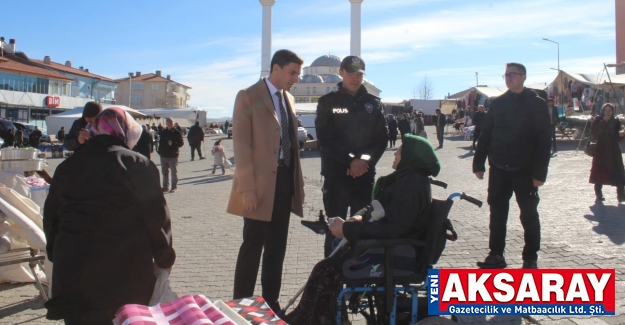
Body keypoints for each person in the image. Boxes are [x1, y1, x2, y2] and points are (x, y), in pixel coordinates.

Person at [283, 134, 439, 325]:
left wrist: (348, 230)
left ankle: (315, 318)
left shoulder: (412, 185)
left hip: (396, 255)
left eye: (400, 150)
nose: (395, 153)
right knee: (325, 267)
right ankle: (308, 317)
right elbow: (380, 210)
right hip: (390, 249)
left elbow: (390, 230)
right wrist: (357, 218)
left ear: (412, 156)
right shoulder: (406, 180)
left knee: (326, 270)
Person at [43, 107, 175, 324]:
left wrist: (55, 255)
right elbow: (156, 218)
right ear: (126, 131)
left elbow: (51, 218)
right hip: (123, 274)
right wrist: (164, 258)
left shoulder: (67, 166)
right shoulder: (137, 164)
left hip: (73, 274)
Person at [229, 49, 306, 313]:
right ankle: (242, 304)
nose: (295, 78)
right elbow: (241, 145)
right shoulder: (248, 96)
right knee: (253, 245)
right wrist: (247, 189)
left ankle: (271, 303)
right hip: (258, 187)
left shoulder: (290, 99)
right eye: (292, 72)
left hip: (284, 181)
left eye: (298, 73)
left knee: (277, 247)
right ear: (276, 68)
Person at [473, 63, 551, 269]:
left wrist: (539, 173)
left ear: (524, 77)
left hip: (525, 169)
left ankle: (530, 257)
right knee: (497, 213)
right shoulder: (498, 103)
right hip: (499, 167)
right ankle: (496, 255)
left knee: (528, 214)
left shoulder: (536, 103)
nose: (508, 78)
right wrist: (478, 163)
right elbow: (485, 134)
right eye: (506, 75)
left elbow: (544, 140)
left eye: (512, 74)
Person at [315, 55, 388, 257]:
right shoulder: (328, 102)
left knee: (361, 226)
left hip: (363, 177)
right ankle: (330, 277)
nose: (355, 78)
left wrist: (363, 162)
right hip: (336, 175)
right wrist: (349, 161)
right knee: (334, 227)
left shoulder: (373, 104)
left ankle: (358, 277)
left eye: (359, 74)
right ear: (341, 72)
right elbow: (325, 138)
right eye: (351, 73)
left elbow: (381, 139)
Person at [589, 103, 625, 202]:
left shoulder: (615, 121)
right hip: (601, 151)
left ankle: (621, 195)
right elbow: (595, 132)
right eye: (606, 110)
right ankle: (598, 194)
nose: (608, 112)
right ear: (602, 111)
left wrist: (621, 135)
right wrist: (604, 122)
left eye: (610, 110)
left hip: (613, 151)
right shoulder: (597, 120)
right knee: (599, 174)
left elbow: (616, 137)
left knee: (619, 172)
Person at [158, 118, 184, 193]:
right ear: (166, 123)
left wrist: (173, 143)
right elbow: (160, 142)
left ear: (173, 123)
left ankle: (174, 187)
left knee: (173, 172)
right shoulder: (163, 132)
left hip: (173, 155)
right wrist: (159, 151)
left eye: (171, 122)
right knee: (164, 172)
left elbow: (181, 143)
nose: (169, 123)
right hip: (163, 155)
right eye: (168, 122)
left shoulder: (177, 132)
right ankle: (165, 187)